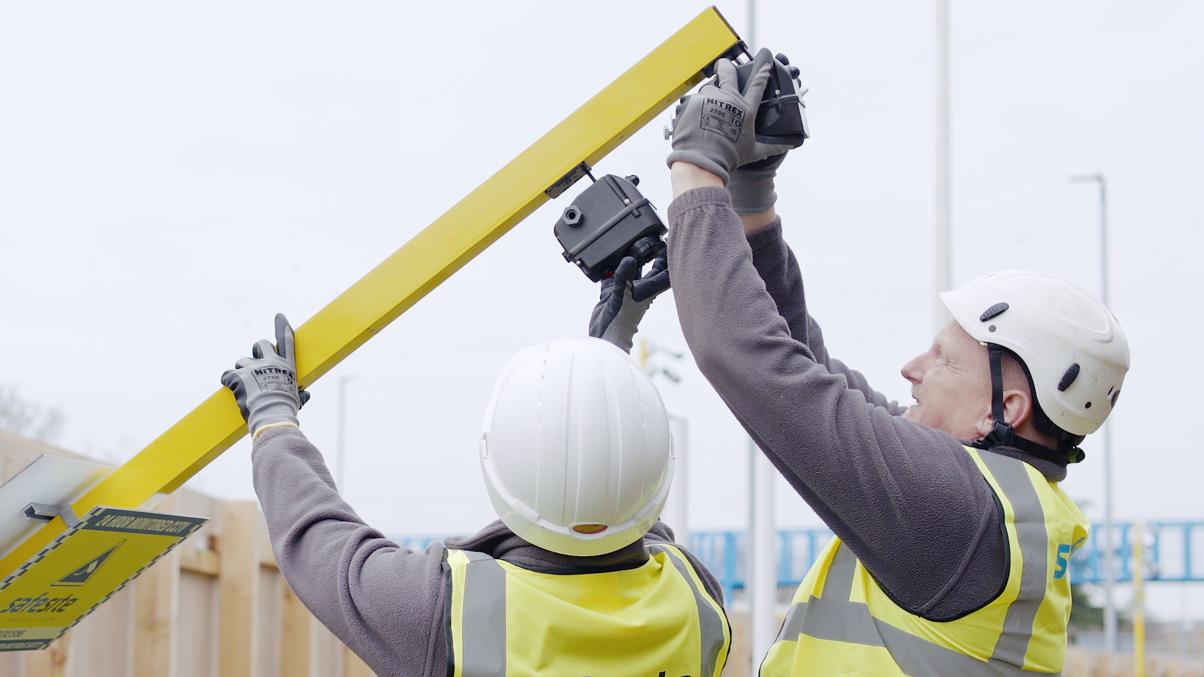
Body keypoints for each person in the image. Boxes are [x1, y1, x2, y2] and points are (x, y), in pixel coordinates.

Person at [657, 49, 1131, 675]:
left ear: (1003, 410)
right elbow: (801, 363)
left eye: (943, 360)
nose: (911, 368)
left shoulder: (953, 510)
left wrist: (698, 171)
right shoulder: (1001, 507)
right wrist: (752, 198)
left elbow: (755, 363)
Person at [219, 315, 730, 677]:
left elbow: (319, 542)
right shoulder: (696, 596)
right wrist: (605, 374)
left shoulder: (443, 614)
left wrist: (274, 420)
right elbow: (615, 497)